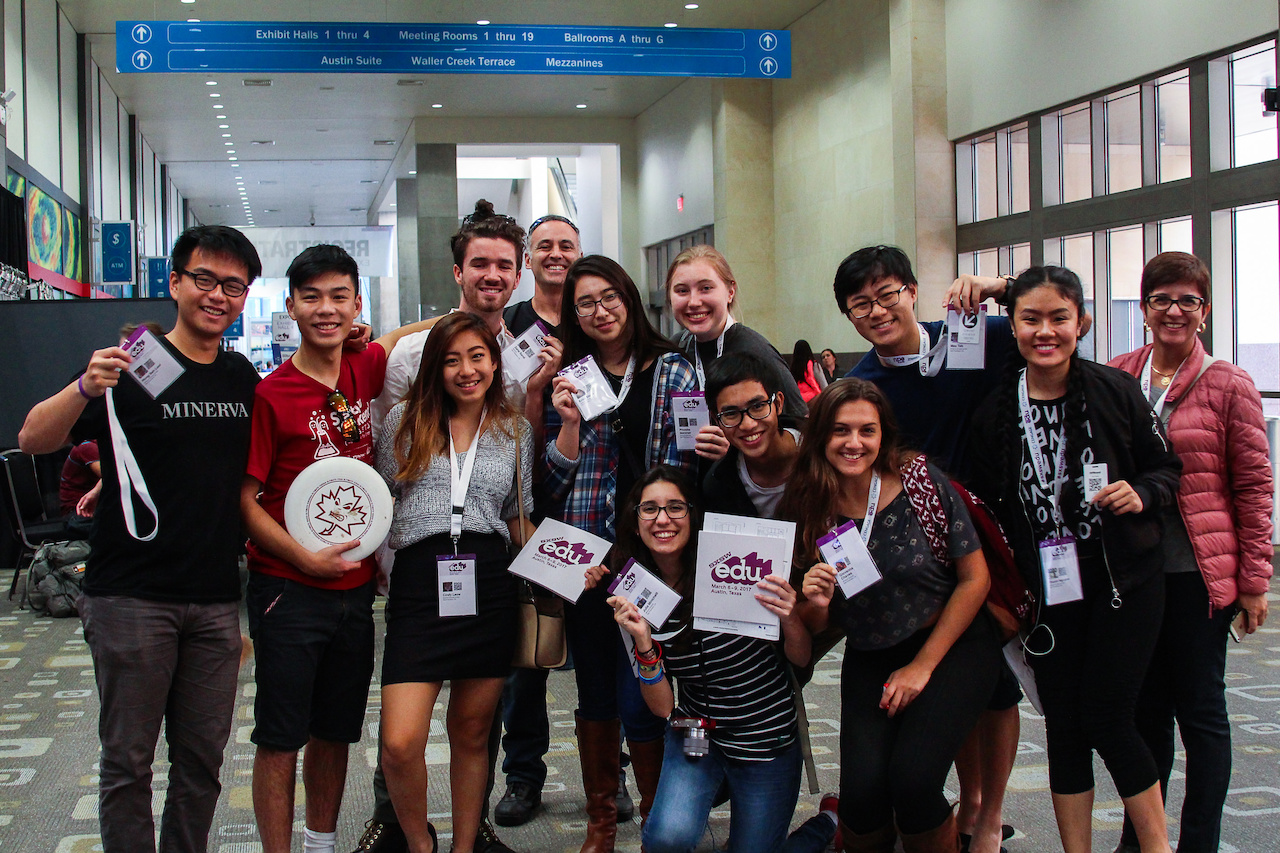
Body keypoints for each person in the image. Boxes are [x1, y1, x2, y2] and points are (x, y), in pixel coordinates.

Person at [18, 225, 263, 853]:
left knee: (202, 763)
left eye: (233, 285)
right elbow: (33, 441)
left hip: (213, 599)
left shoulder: (239, 376)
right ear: (176, 282)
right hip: (130, 594)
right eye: (205, 279)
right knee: (128, 761)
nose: (218, 295)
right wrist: (82, 388)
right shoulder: (130, 364)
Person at [967, 266, 1182, 853]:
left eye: (1058, 318)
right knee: (1063, 728)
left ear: (1081, 323)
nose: (1045, 331)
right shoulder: (993, 415)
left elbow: (1168, 469)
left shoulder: (1116, 391)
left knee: (1111, 718)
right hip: (1047, 597)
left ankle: (1158, 848)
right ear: (1011, 327)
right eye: (1030, 319)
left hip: (1124, 587)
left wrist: (1141, 493)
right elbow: (982, 515)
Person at [354, 202, 543, 853]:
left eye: (479, 357)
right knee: (401, 738)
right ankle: (418, 841)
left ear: (495, 363)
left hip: (489, 583)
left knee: (472, 727)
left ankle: (466, 844)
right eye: (454, 358)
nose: (468, 368)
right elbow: (378, 503)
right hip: (417, 585)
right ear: (435, 363)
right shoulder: (405, 421)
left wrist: (569, 566)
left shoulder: (512, 429)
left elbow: (519, 518)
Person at [240, 244, 428, 853]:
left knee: (336, 732)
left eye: (339, 297)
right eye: (313, 297)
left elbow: (405, 337)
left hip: (354, 593)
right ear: (290, 305)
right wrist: (302, 559)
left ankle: (321, 844)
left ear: (356, 303)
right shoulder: (272, 394)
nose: (326, 309)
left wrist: (471, 318)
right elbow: (245, 501)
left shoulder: (363, 367)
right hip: (288, 589)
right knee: (279, 738)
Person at [837, 245, 1022, 853]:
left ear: (913, 290)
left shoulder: (972, 336)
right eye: (860, 304)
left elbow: (1063, 314)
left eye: (888, 294)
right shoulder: (864, 383)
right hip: (929, 549)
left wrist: (997, 284)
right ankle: (962, 806)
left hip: (998, 532)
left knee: (998, 684)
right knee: (961, 681)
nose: (877, 310)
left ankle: (986, 814)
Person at [787, 378, 1001, 853]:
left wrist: (921, 667)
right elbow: (817, 625)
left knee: (914, 782)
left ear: (883, 434)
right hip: (871, 651)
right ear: (822, 435)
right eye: (841, 430)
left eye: (868, 430)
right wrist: (814, 602)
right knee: (861, 800)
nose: (854, 443)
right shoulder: (809, 504)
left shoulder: (920, 481)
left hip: (953, 644)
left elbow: (975, 580)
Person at [1107, 252, 1273, 853]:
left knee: (1200, 713)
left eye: (1188, 301)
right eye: (1161, 299)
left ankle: (1199, 840)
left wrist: (1255, 581)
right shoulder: (1119, 372)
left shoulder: (1229, 383)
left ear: (1203, 312)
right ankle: (1142, 838)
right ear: (1145, 306)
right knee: (1143, 714)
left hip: (1198, 576)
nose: (1174, 311)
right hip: (1134, 575)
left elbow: (1254, 488)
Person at [544, 254, 697, 852]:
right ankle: (601, 820)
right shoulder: (573, 377)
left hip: (648, 561)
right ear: (573, 313)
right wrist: (567, 426)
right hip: (586, 561)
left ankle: (659, 815)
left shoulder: (673, 371)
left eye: (609, 297)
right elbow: (553, 485)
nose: (599, 311)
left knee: (643, 695)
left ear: (629, 300)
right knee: (595, 697)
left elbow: (686, 471)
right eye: (585, 303)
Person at [596, 466, 818, 853]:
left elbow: (800, 659)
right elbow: (664, 706)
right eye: (649, 509)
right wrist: (644, 643)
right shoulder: (633, 589)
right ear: (634, 521)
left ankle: (828, 824)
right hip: (696, 731)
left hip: (765, 735)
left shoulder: (730, 563)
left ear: (693, 516)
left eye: (675, 508)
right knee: (667, 839)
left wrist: (790, 616)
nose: (663, 519)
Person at [492, 212, 580, 829]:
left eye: (565, 246)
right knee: (527, 651)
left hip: (594, 507)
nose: (555, 255)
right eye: (543, 245)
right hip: (528, 510)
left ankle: (616, 768)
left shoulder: (600, 318)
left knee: (611, 643)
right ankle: (523, 775)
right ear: (529, 257)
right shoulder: (508, 328)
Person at [665, 244, 806, 435]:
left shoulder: (756, 351)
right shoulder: (674, 350)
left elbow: (800, 422)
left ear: (730, 292)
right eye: (682, 291)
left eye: (705, 288)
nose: (694, 302)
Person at [701, 352, 802, 519]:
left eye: (758, 406)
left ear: (778, 403)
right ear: (716, 419)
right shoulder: (718, 486)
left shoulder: (821, 451)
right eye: (731, 413)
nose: (748, 424)